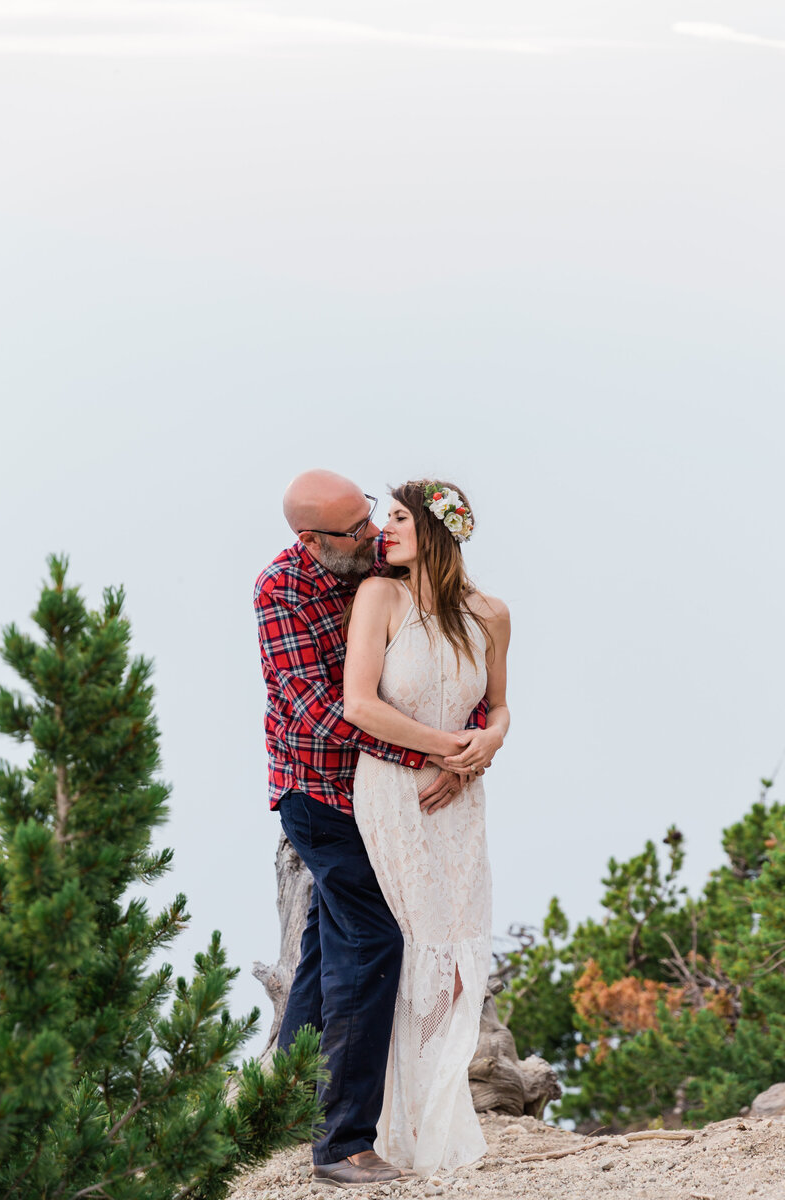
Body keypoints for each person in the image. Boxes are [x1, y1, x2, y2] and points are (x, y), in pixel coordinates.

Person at [253, 470, 493, 1189]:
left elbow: (449, 670)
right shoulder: (283, 589)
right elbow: (322, 711)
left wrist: (468, 745)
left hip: (383, 793)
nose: (370, 534)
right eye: (354, 530)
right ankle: (343, 1143)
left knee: (329, 955)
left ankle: (277, 1113)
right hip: (319, 793)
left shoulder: (384, 571)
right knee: (373, 939)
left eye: (371, 519)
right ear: (311, 539)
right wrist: (428, 752)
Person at [343, 479, 510, 1177]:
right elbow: (359, 705)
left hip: (459, 803)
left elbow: (499, 708)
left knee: (456, 971)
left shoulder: (492, 614)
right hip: (393, 794)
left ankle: (433, 1124)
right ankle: (379, 1131)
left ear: (440, 529)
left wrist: (486, 748)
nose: (386, 528)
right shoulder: (380, 598)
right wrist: (451, 750)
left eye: (402, 517)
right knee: (408, 954)